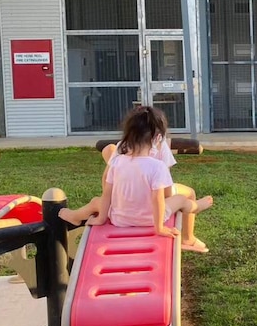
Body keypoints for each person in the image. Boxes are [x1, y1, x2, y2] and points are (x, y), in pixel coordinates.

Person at [59, 105, 212, 250]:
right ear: (158, 138)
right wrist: (159, 227)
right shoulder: (157, 166)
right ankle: (196, 209)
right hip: (150, 219)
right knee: (182, 199)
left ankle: (75, 215)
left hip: (120, 219)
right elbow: (159, 199)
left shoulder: (117, 161)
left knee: (95, 202)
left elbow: (106, 193)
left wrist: (100, 219)